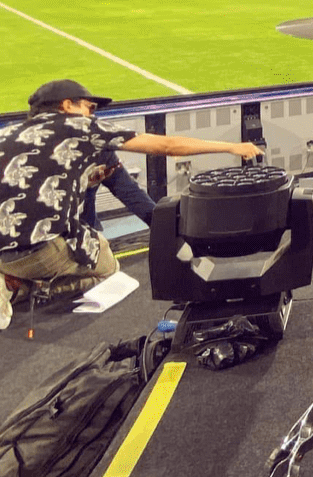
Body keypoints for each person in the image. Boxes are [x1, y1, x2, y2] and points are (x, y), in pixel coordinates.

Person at [0, 79, 261, 327]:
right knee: (107, 267)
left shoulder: (7, 134)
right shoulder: (79, 128)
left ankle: (13, 280)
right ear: (67, 105)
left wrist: (89, 185)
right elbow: (167, 146)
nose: (92, 115)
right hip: (40, 252)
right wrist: (231, 147)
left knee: (81, 223)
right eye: (89, 108)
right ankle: (18, 289)